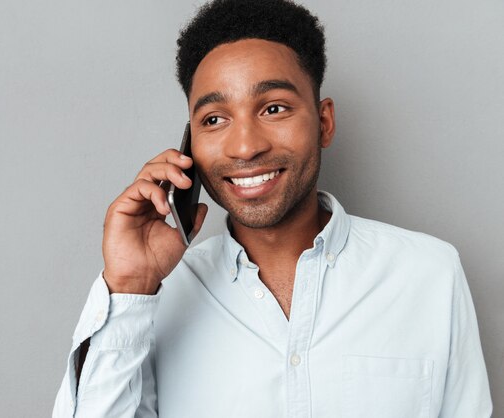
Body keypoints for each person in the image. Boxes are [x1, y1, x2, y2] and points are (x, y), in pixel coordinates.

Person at [53, 0, 493, 416]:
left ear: (323, 123)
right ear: (190, 143)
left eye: (274, 108)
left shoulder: (430, 274)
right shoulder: (155, 296)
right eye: (213, 119)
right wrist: (130, 285)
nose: (246, 147)